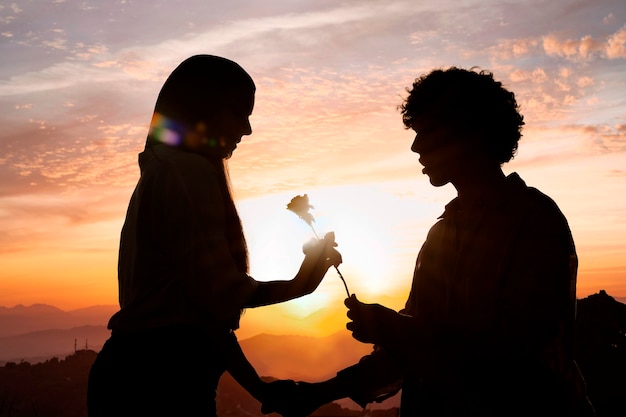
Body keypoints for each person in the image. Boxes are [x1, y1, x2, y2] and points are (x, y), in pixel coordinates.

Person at [263, 67, 595, 417]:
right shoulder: (441, 234)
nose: (415, 146)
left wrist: (400, 329)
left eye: (428, 132)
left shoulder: (535, 220)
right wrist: (317, 393)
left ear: (470, 132)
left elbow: (516, 350)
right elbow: (413, 352)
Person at [86, 55, 341, 417]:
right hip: (157, 386)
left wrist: (259, 389)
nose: (248, 129)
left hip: (138, 376)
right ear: (201, 108)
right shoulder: (186, 173)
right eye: (237, 112)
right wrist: (301, 284)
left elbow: (204, 319)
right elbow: (218, 295)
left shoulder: (162, 172)